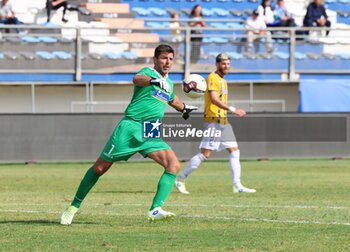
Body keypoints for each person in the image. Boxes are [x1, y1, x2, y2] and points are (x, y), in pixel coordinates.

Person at [60, 44, 198, 225]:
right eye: (164, 58)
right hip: (131, 127)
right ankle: (72, 207)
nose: (167, 62)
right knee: (100, 168)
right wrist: (152, 81)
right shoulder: (148, 73)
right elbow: (137, 79)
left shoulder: (168, 82)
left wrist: (184, 108)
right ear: (155, 59)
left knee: (173, 164)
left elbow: (171, 97)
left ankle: (155, 209)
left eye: (171, 59)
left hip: (151, 129)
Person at [175, 53, 256, 194]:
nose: (226, 66)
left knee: (235, 151)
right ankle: (180, 179)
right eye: (223, 63)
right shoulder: (212, 78)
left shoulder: (223, 80)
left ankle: (237, 185)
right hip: (213, 121)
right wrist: (233, 109)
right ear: (217, 64)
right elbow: (213, 99)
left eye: (228, 64)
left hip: (224, 122)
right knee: (205, 154)